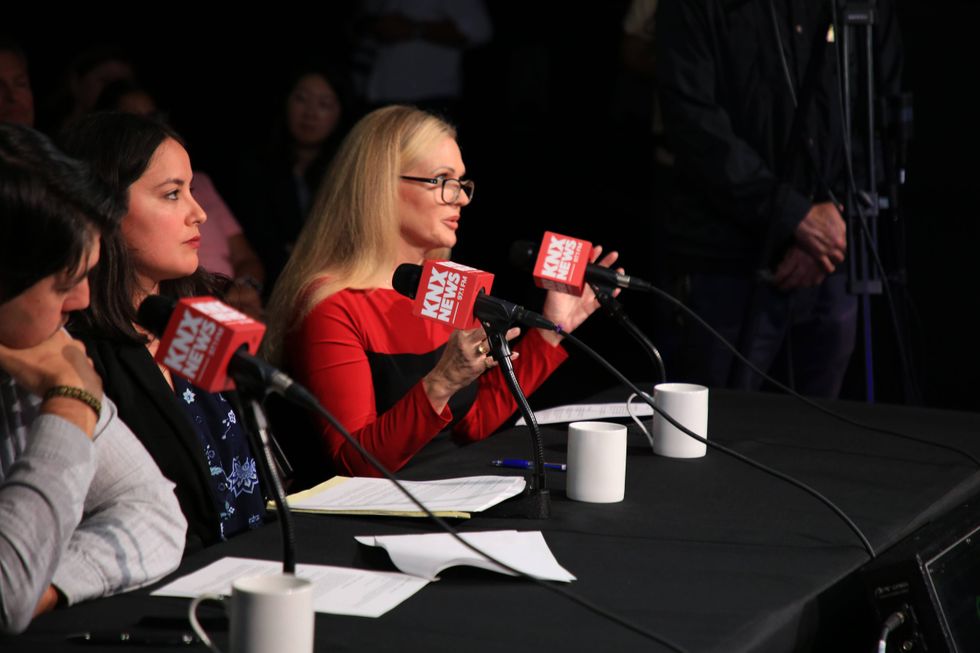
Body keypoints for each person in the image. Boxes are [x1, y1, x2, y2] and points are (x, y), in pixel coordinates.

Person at [263, 105, 619, 480]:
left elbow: (472, 424)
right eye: (442, 180)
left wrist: (552, 328)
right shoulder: (332, 304)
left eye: (462, 183)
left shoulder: (441, 285)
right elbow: (355, 464)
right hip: (372, 517)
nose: (462, 199)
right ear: (380, 186)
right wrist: (441, 382)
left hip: (447, 492)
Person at [653, 0, 902, 397]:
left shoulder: (856, 6)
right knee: (719, 435)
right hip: (728, 265)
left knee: (819, 440)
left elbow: (877, 113)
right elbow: (694, 125)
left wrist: (832, 218)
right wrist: (796, 217)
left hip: (830, 262)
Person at [0, 123, 185, 634]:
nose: (81, 301)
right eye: (66, 282)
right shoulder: (63, 374)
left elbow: (157, 516)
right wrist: (71, 405)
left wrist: (43, 585)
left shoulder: (38, 350)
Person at [61, 112, 265, 552]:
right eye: (173, 194)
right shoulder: (80, 353)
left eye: (191, 190)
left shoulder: (193, 320)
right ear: (104, 210)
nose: (199, 213)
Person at [231, 67, 345, 292]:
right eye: (301, 99)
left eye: (324, 104)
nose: (310, 113)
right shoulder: (254, 165)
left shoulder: (344, 171)